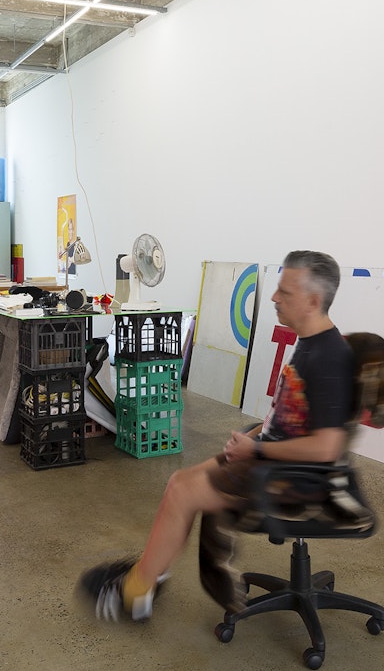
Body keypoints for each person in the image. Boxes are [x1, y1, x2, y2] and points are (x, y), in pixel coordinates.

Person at [80, 250, 357, 622]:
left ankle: (136, 592)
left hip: (298, 479)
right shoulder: (310, 343)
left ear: (312, 301)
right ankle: (145, 579)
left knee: (181, 490)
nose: (274, 297)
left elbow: (326, 448)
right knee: (181, 484)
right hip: (273, 460)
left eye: (285, 292)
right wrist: (256, 437)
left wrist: (256, 451)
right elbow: (290, 417)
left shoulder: (331, 358)